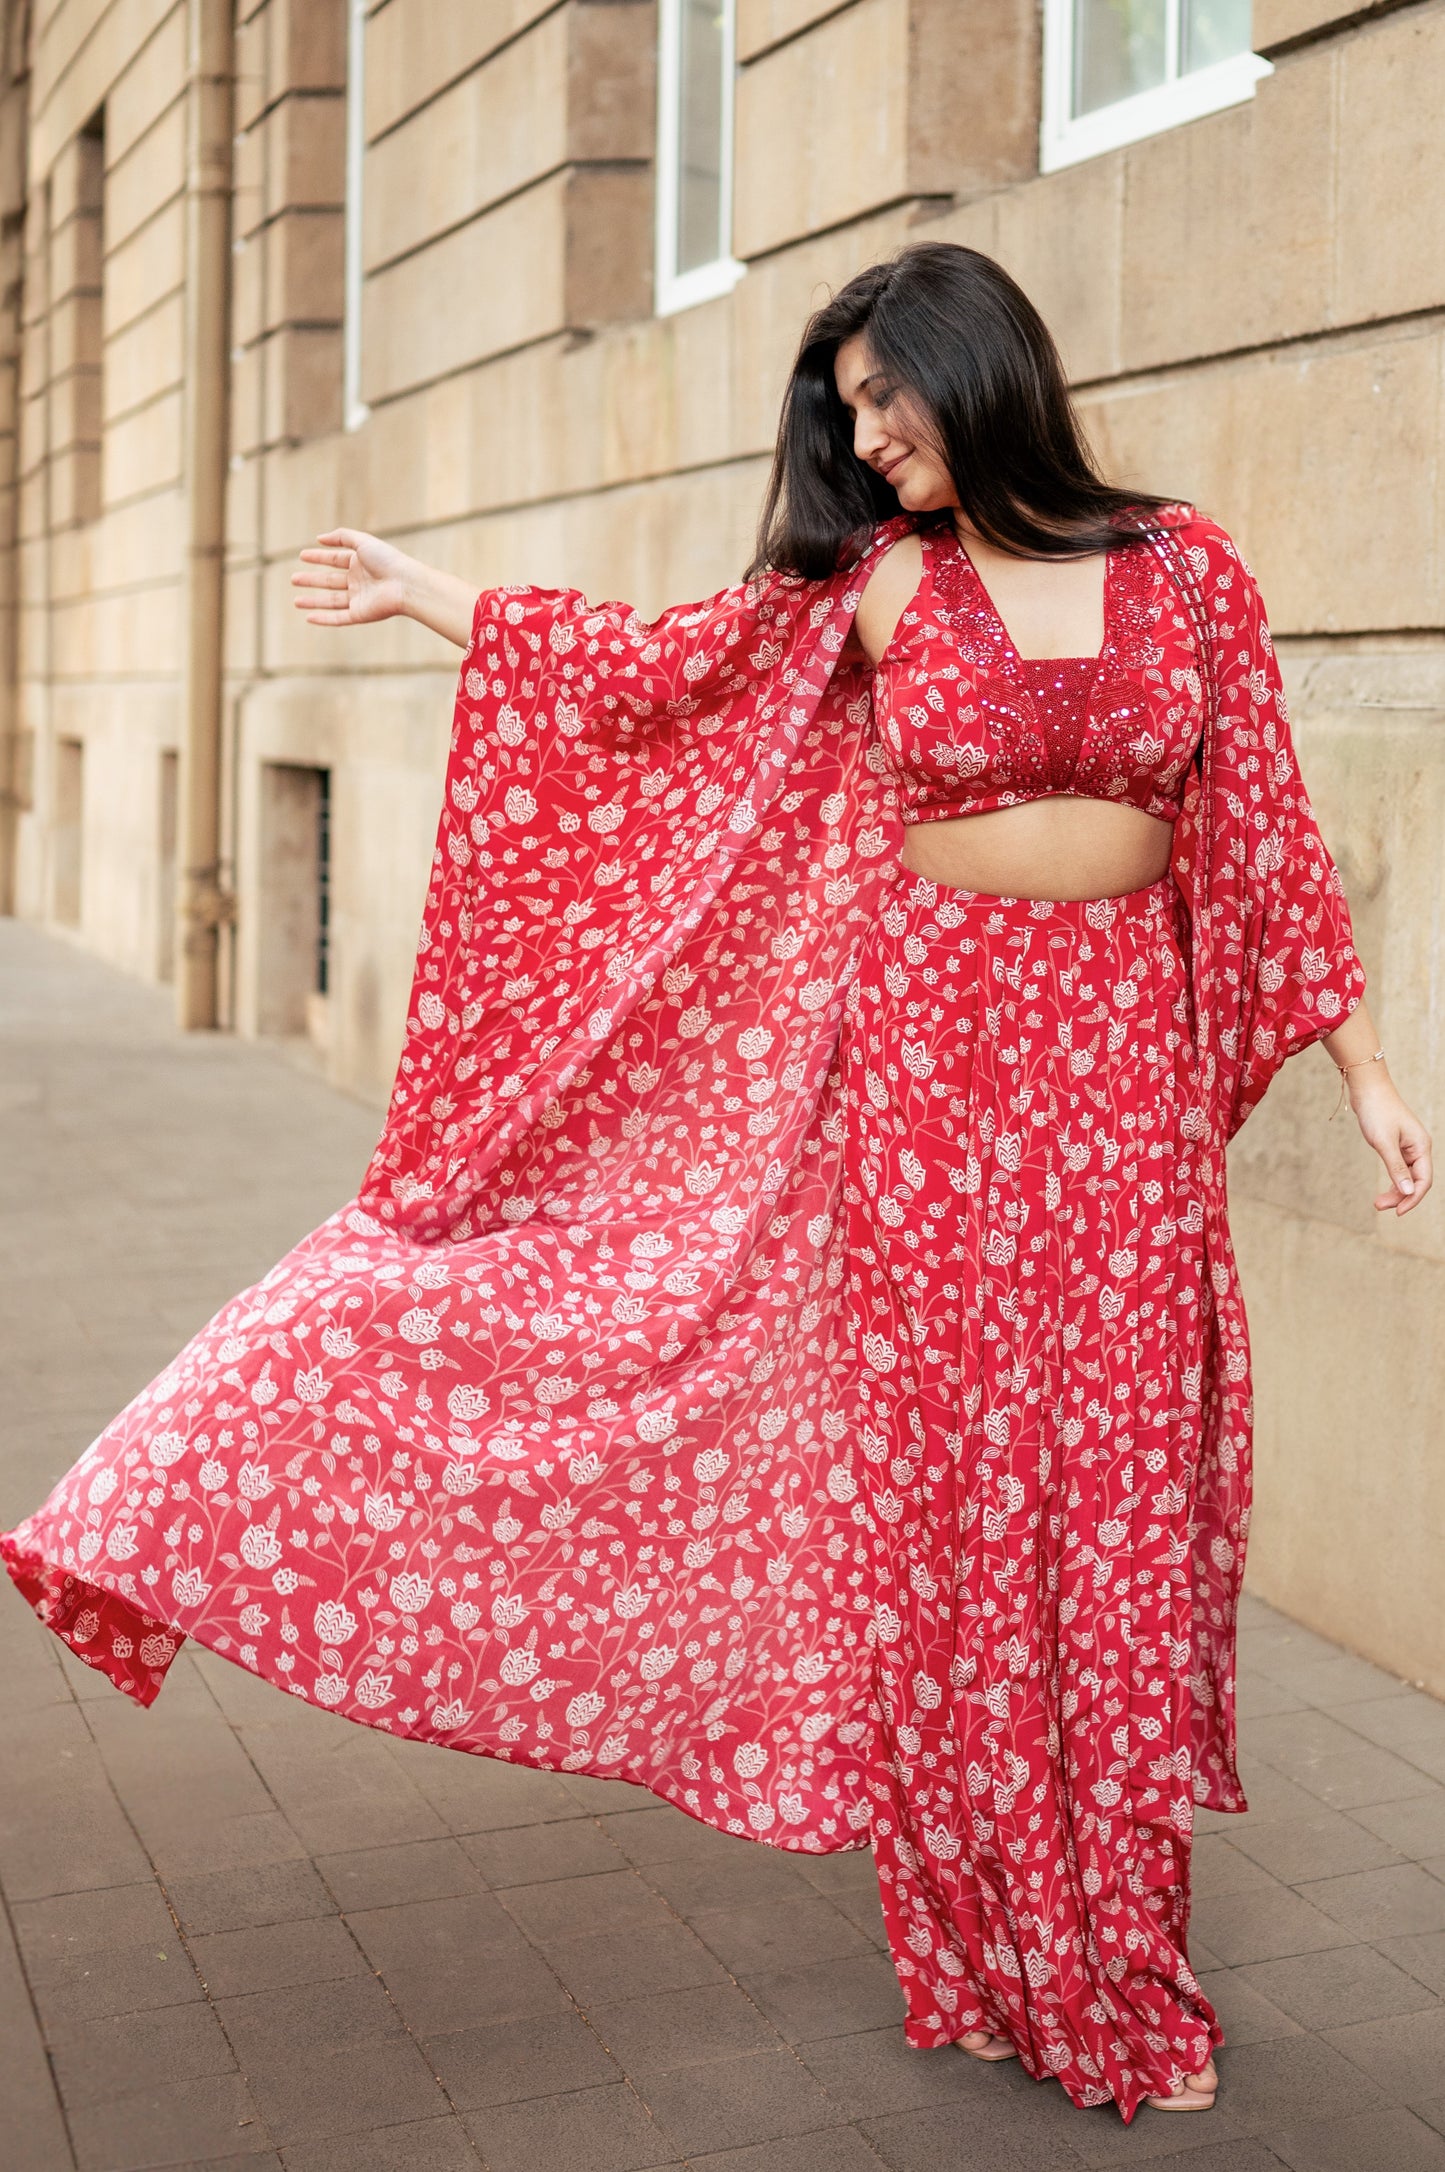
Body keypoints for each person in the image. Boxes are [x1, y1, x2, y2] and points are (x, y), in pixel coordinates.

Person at [3, 244, 1430, 2125]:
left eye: (879, 394)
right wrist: (441, 598)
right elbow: (654, 676)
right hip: (922, 1101)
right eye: (839, 410)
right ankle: (987, 1959)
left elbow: (1258, 823)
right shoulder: (884, 590)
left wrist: (1367, 1067)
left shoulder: (1185, 572)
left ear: (971, 367)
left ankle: (1119, 1964)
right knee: (946, 1534)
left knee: (1109, 1517)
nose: (861, 432)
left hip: (1117, 1109)